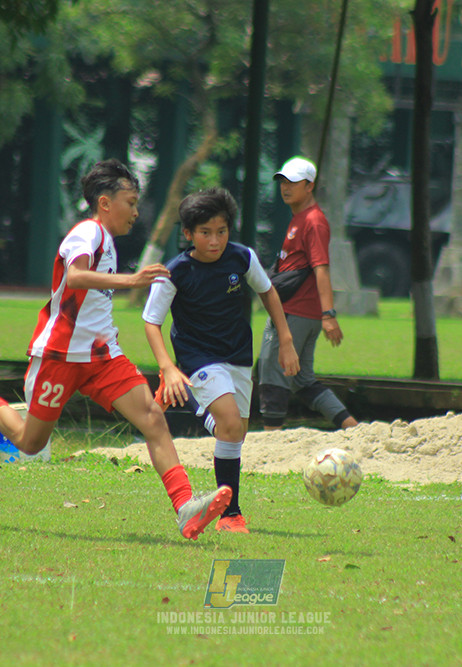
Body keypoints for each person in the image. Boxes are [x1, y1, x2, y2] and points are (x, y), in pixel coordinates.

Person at [0, 159, 231, 541]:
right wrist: (133, 279)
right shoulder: (87, 232)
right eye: (130, 201)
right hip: (60, 355)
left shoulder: (108, 242)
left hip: (101, 356)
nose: (136, 211)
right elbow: (75, 276)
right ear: (105, 203)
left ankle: (184, 508)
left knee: (152, 418)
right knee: (31, 442)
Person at [142, 187, 300, 534]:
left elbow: (267, 291)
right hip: (197, 357)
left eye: (222, 231)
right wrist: (167, 367)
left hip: (238, 354)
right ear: (188, 234)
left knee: (234, 432)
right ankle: (231, 515)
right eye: (205, 233)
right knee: (231, 424)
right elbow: (151, 320)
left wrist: (285, 340)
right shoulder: (176, 272)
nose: (215, 241)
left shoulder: (241, 258)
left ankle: (205, 415)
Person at [258, 156, 358, 431]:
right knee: (302, 380)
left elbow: (321, 269)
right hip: (297, 310)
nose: (285, 187)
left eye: (293, 182)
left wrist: (328, 314)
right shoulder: (299, 219)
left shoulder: (313, 221)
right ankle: (355, 429)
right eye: (283, 182)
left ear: (309, 186)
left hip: (297, 311)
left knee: (271, 366)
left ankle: (271, 436)